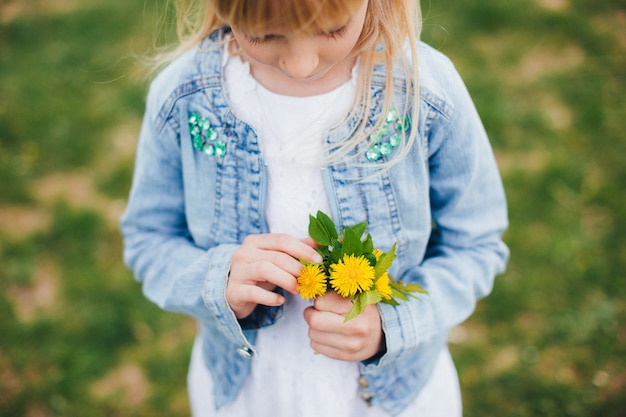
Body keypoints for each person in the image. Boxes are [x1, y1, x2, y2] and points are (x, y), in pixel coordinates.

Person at [120, 0, 509, 415]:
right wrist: (220, 282)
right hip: (251, 392)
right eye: (265, 36)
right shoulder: (183, 97)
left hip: (391, 396)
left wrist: (391, 327)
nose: (301, 64)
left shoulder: (424, 91)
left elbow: (476, 243)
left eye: (332, 29)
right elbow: (149, 238)